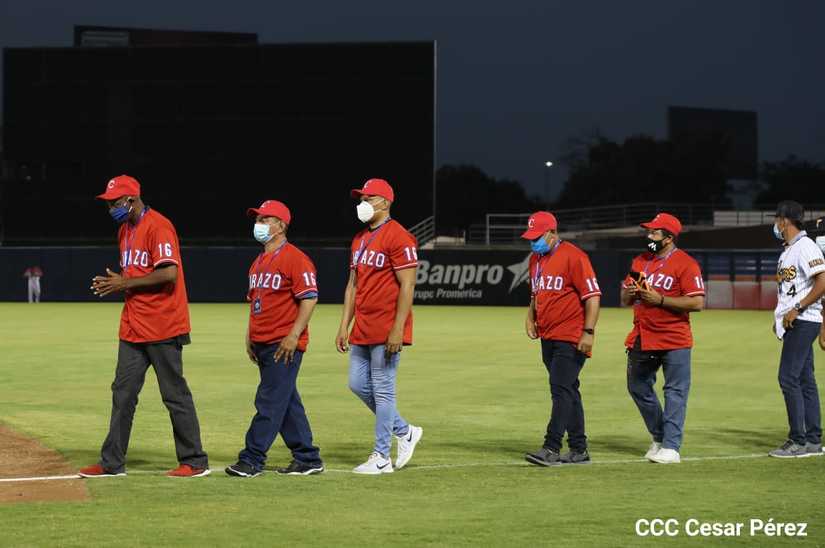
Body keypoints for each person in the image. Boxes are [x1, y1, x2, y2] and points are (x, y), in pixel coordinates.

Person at [79, 175, 209, 478]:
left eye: (115, 202)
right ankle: (112, 463)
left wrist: (124, 282)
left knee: (174, 394)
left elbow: (169, 274)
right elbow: (134, 275)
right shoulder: (124, 230)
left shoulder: (159, 226)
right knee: (122, 393)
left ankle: (194, 461)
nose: (111, 208)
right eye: (108, 203)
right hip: (133, 325)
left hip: (164, 324)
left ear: (132, 199)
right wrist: (122, 283)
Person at [226, 200, 325, 477]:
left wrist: (294, 335)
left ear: (281, 226)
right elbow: (256, 302)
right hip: (262, 342)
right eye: (257, 219)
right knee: (286, 402)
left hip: (283, 344)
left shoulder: (296, 258)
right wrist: (250, 335)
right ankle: (307, 458)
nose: (258, 224)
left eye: (265, 219)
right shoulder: (258, 261)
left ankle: (252, 459)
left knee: (269, 401)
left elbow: (309, 298)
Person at [335, 178, 423, 474]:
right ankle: (405, 431)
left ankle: (381, 456)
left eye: (369, 198)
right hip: (363, 325)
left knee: (383, 390)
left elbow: (408, 285)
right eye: (361, 199)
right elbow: (352, 285)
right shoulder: (359, 239)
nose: (363, 204)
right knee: (357, 384)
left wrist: (398, 328)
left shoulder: (400, 236)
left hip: (387, 325)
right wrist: (344, 325)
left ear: (385, 203)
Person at [620, 213, 705, 464]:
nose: (649, 236)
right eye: (648, 232)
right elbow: (624, 299)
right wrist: (631, 292)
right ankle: (659, 437)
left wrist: (661, 300)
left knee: (675, 391)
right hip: (643, 334)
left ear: (668, 238)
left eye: (654, 233)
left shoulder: (686, 263)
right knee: (637, 386)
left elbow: (697, 302)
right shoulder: (640, 261)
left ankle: (671, 447)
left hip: (674, 337)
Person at [521, 212, 602, 466]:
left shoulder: (575, 257)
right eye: (530, 237)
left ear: (552, 233)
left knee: (560, 389)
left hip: (571, 335)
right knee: (568, 389)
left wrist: (588, 332)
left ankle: (551, 447)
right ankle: (579, 449)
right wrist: (530, 316)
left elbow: (593, 296)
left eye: (537, 237)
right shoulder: (535, 259)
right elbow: (535, 293)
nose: (533, 242)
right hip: (548, 334)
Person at [768, 201, 825, 458]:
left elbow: (823, 281)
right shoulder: (789, 250)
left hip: (804, 320)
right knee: (804, 379)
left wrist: (798, 308)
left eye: (777, 219)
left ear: (784, 221)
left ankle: (797, 441)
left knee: (787, 378)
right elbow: (790, 289)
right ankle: (812, 440)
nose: (775, 224)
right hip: (795, 320)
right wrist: (781, 315)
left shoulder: (805, 246)